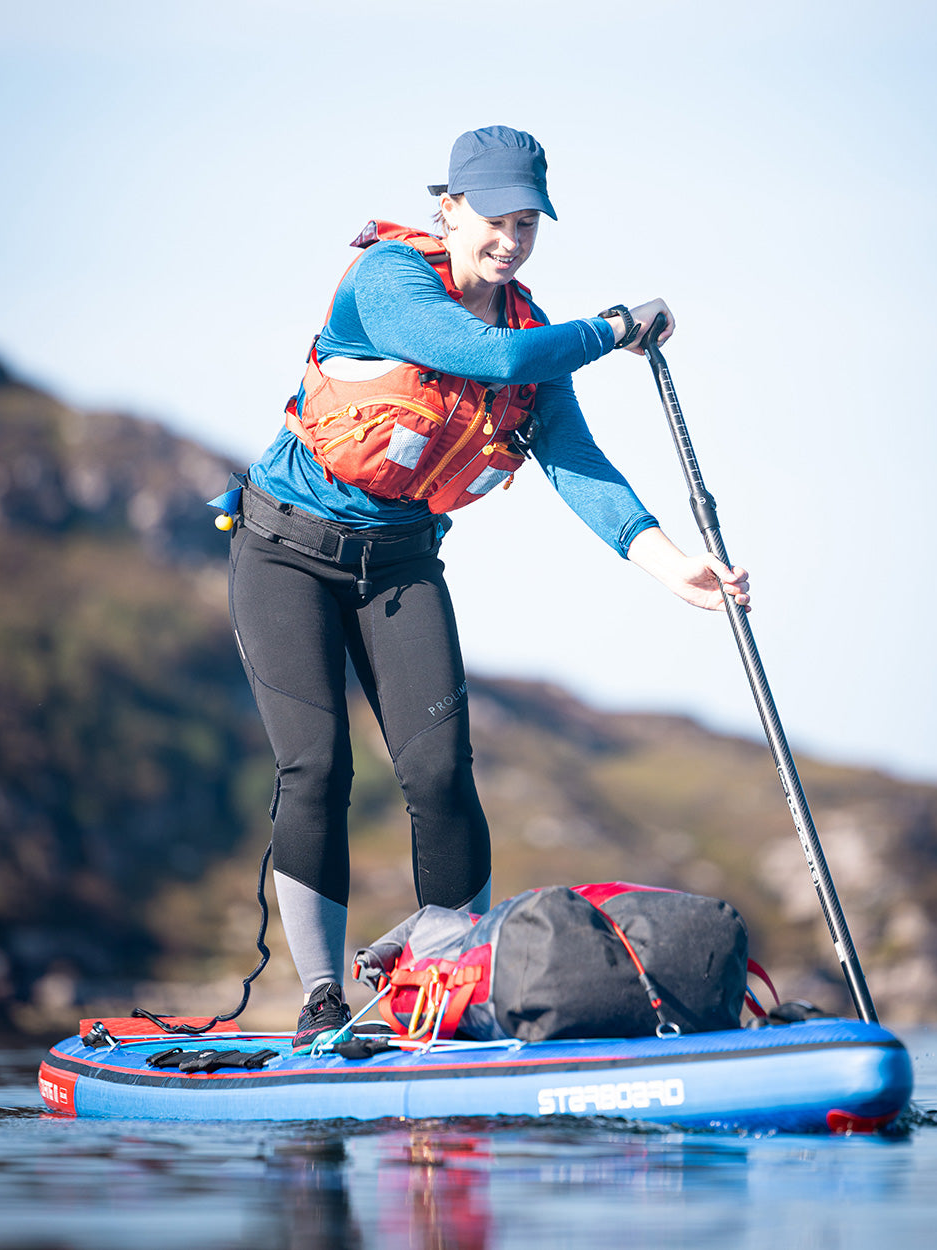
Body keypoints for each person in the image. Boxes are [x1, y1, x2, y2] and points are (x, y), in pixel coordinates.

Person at [224, 125, 750, 1051]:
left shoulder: (533, 333)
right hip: (284, 552)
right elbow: (493, 359)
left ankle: (446, 979)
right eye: (496, 219)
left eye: (528, 224)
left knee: (441, 772)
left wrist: (675, 566)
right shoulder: (388, 280)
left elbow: (578, 463)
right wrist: (615, 327)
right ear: (450, 209)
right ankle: (321, 1002)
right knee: (318, 767)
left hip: (398, 564)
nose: (511, 240)